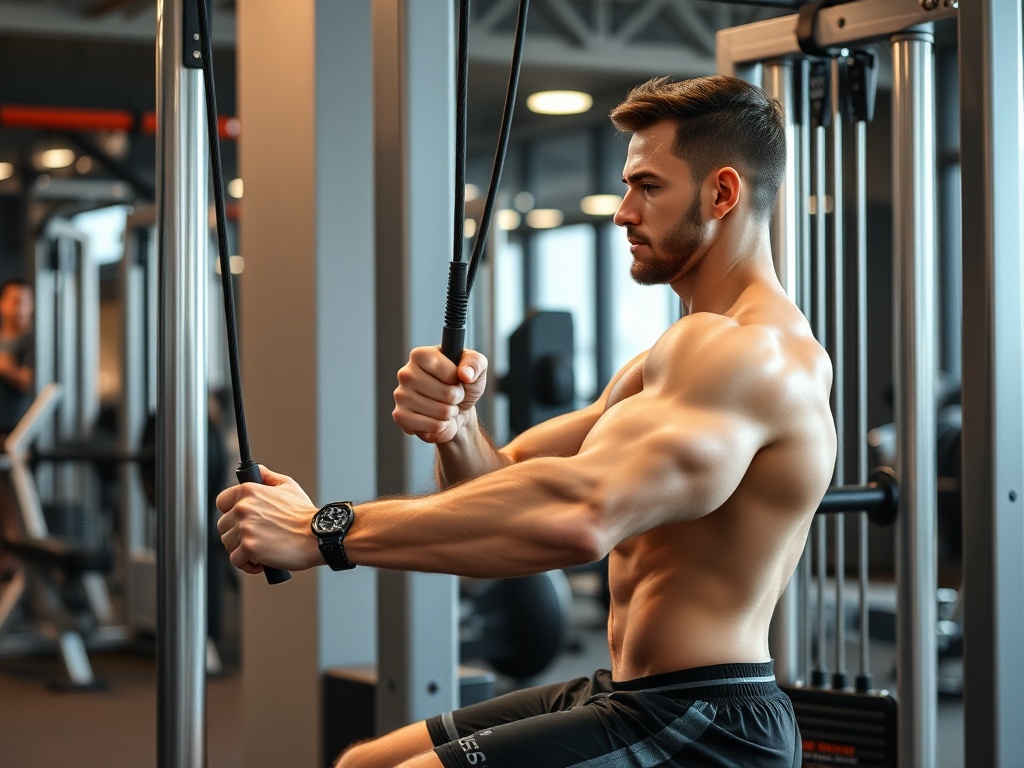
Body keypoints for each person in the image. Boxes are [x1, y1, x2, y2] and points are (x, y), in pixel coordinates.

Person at [216, 74, 837, 768]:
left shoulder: (749, 353)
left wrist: (321, 531)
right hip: (636, 691)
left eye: (649, 187)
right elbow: (501, 482)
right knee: (362, 763)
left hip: (706, 721)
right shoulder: (672, 356)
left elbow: (580, 516)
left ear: (722, 193)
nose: (623, 212)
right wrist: (458, 430)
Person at [0, 277, 33, 582]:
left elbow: (31, 381)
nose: (19, 308)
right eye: (14, 301)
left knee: (13, 506)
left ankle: (12, 564)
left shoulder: (32, 343)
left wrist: (6, 367)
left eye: (25, 302)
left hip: (18, 435)